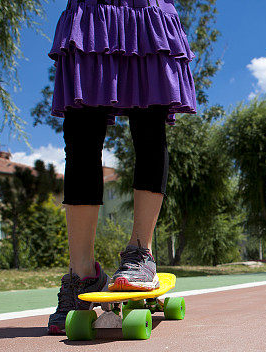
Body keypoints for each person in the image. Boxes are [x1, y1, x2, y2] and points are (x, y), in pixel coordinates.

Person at [46, 0, 197, 334]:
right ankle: (81, 274)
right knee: (81, 137)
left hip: (147, 15)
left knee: (150, 131)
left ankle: (140, 253)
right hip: (91, 15)